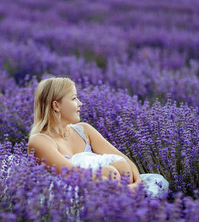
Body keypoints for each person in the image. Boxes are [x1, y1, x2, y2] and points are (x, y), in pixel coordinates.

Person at [28, 77, 169, 196]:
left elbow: (124, 158)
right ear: (56, 106)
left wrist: (137, 184)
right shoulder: (40, 141)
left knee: (140, 175)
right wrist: (123, 187)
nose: (80, 103)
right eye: (74, 98)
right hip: (73, 195)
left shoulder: (84, 130)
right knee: (111, 172)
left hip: (114, 189)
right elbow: (74, 174)